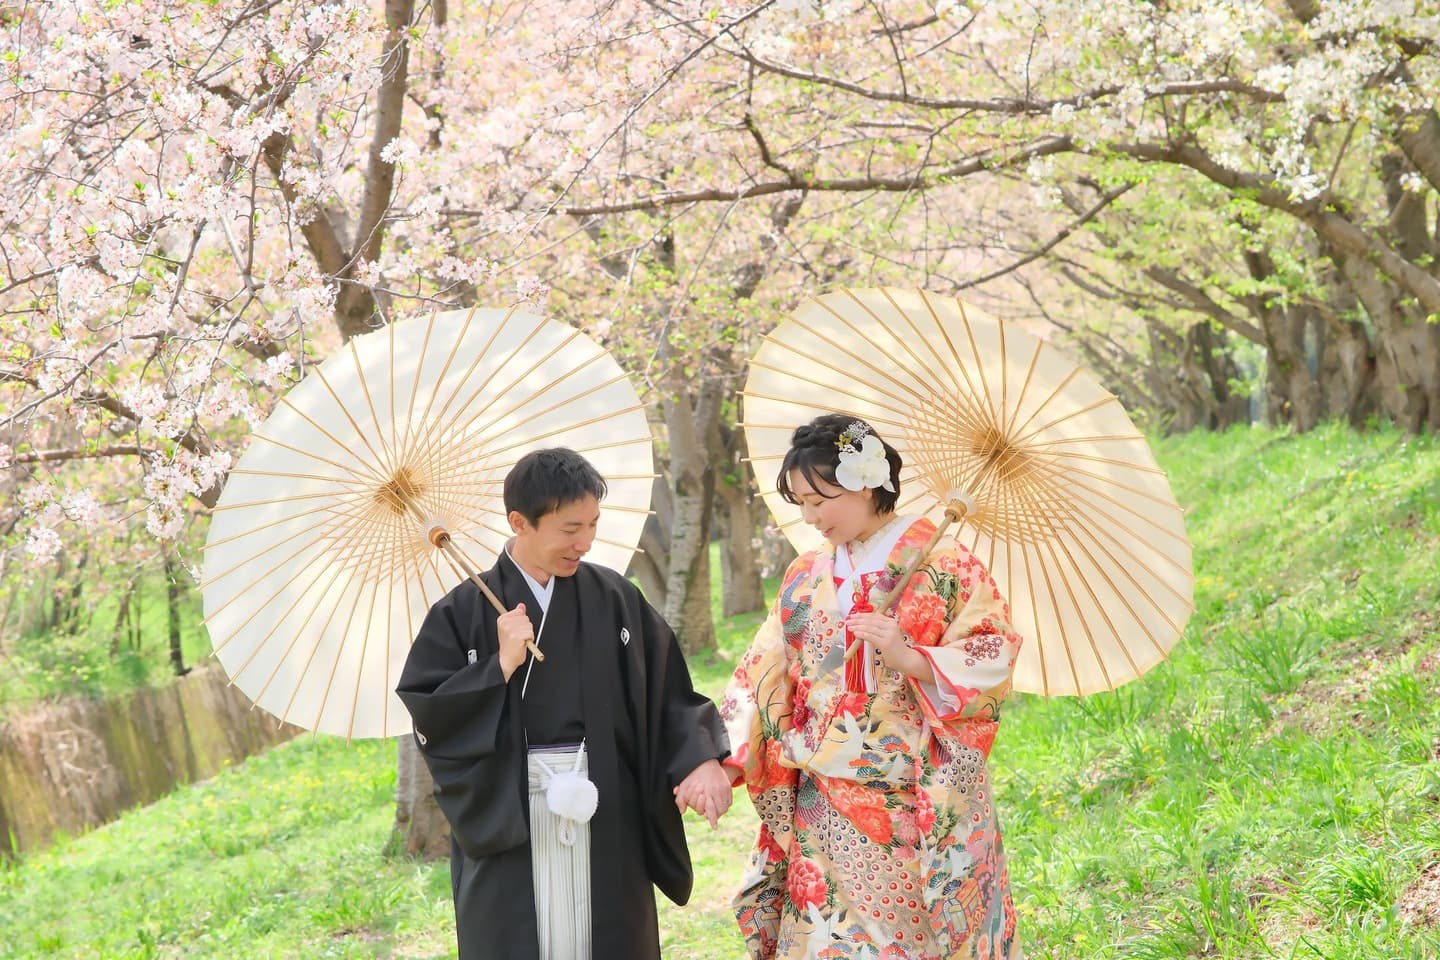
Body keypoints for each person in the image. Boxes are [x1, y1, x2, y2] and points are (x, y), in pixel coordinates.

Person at [396, 447, 733, 960]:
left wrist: (700, 758)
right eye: (570, 529)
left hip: (606, 804)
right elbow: (432, 716)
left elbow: (666, 690)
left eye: (593, 525)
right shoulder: (462, 612)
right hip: (512, 816)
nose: (585, 542)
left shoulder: (614, 597)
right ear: (519, 523)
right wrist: (499, 666)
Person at [720, 414, 1023, 959]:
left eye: (821, 499)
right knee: (826, 938)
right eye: (801, 503)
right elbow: (763, 670)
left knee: (915, 938)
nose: (811, 516)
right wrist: (728, 759)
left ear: (866, 482)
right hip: (823, 792)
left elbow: (992, 656)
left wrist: (911, 656)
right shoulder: (805, 573)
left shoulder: (944, 564)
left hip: (911, 789)